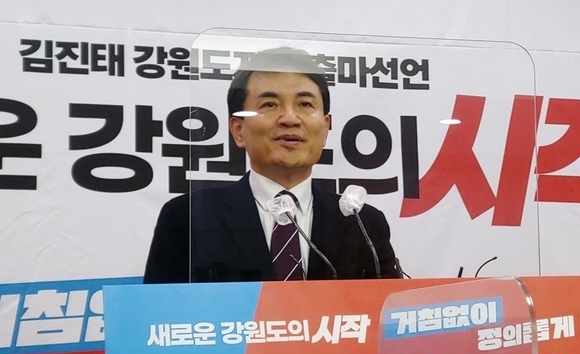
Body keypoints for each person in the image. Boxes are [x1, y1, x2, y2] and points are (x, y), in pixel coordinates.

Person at [143, 47, 400, 283]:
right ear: (238, 130)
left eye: (305, 104)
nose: (289, 118)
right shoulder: (188, 218)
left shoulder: (363, 224)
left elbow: (388, 313)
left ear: (325, 129)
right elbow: (159, 312)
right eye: (270, 104)